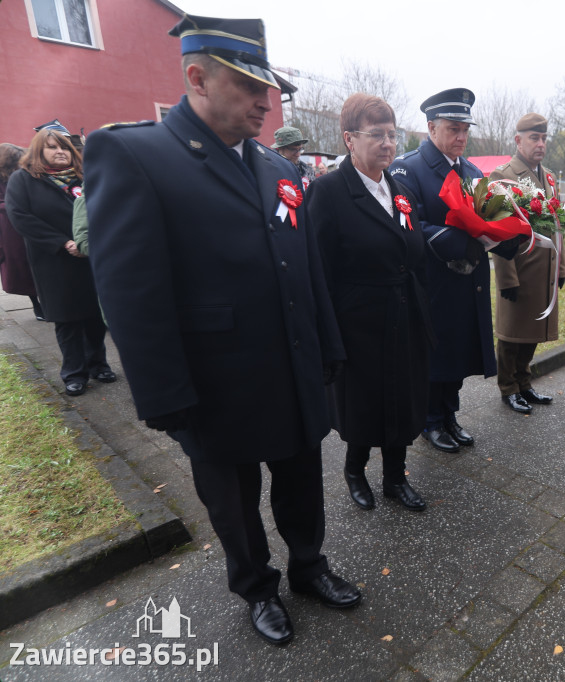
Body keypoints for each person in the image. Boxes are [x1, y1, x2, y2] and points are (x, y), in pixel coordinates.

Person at [83, 15, 357, 646]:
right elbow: (129, 290)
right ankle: (257, 587)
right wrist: (164, 395)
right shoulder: (135, 154)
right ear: (197, 77)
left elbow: (305, 266)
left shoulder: (272, 165)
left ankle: (309, 566)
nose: (267, 102)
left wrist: (329, 344)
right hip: (215, 380)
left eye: (270, 88)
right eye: (248, 86)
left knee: (301, 482)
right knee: (233, 501)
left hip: (292, 365)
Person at [307, 94, 430, 512]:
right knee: (363, 402)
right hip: (357, 318)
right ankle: (355, 471)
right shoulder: (328, 192)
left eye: (392, 135)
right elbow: (318, 267)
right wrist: (327, 332)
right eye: (376, 135)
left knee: (403, 397)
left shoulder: (397, 188)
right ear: (349, 139)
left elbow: (411, 245)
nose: (387, 144)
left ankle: (395, 478)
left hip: (402, 311)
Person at [389, 88, 517, 453]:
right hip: (435, 282)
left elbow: (488, 217)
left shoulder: (474, 171)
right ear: (431, 128)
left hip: (469, 279)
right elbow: (409, 224)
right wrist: (464, 240)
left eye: (465, 129)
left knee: (460, 351)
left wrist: (504, 235)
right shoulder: (407, 167)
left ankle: (449, 414)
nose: (461, 136)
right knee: (437, 354)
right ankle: (430, 421)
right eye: (453, 128)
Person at [5, 128, 114, 396]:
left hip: (90, 256)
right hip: (54, 260)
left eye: (64, 147)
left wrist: (90, 241)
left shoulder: (84, 177)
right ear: (38, 152)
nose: (60, 151)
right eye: (52, 147)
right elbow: (21, 217)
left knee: (94, 316)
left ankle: (98, 364)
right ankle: (74, 373)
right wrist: (62, 243)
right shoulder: (24, 180)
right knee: (67, 320)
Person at [490, 113, 565, 415]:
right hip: (519, 267)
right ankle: (508, 387)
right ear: (518, 140)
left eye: (544, 138)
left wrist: (561, 267)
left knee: (534, 329)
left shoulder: (548, 177)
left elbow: (558, 224)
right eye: (534, 137)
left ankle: (524, 382)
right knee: (512, 333)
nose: (541, 144)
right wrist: (506, 278)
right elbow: (498, 228)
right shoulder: (503, 175)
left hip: (544, 269)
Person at [0, 143, 44, 320]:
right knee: (23, 266)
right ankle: (37, 305)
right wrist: (13, 205)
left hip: (29, 222)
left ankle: (45, 303)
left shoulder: (25, 174)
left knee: (38, 263)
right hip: (9, 229)